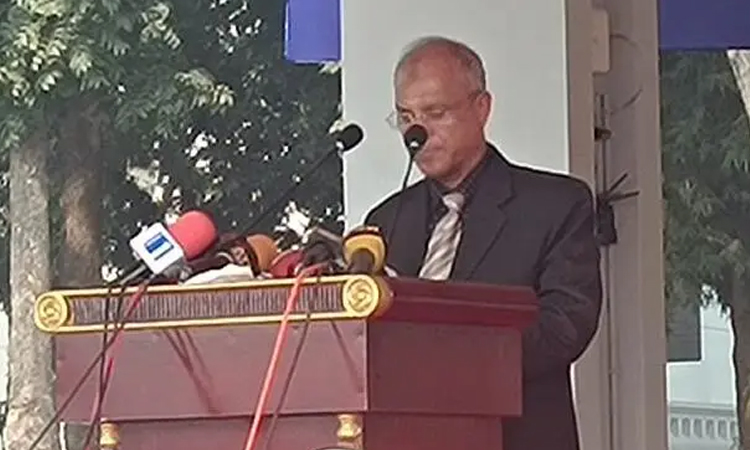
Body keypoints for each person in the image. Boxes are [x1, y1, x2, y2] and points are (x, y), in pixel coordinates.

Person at [362, 36, 603, 450]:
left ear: (482, 108)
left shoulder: (555, 205)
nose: (416, 134)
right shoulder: (386, 222)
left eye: (435, 113)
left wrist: (446, 363)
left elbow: (566, 327)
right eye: (405, 117)